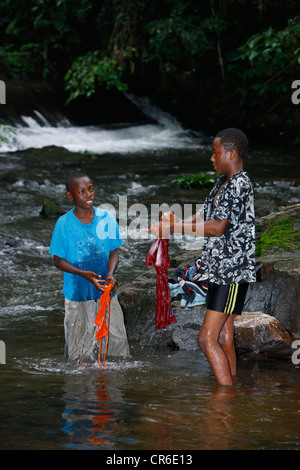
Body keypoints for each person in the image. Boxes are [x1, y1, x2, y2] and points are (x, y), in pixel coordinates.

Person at [151, 128, 256, 385]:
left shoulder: (240, 184)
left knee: (205, 339)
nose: (212, 158)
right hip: (218, 270)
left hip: (231, 272)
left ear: (231, 153)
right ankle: (233, 390)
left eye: (215, 152)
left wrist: (175, 227)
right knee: (223, 336)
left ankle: (224, 400)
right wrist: (174, 223)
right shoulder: (222, 182)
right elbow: (204, 215)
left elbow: (218, 226)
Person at [49, 172, 130, 362]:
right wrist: (82, 274)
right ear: (70, 196)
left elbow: (113, 252)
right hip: (77, 294)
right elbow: (58, 260)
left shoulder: (106, 218)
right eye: (82, 192)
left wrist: (110, 273)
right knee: (79, 350)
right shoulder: (64, 224)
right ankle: (80, 386)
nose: (89, 195)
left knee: (117, 343)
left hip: (105, 291)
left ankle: (112, 384)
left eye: (91, 189)